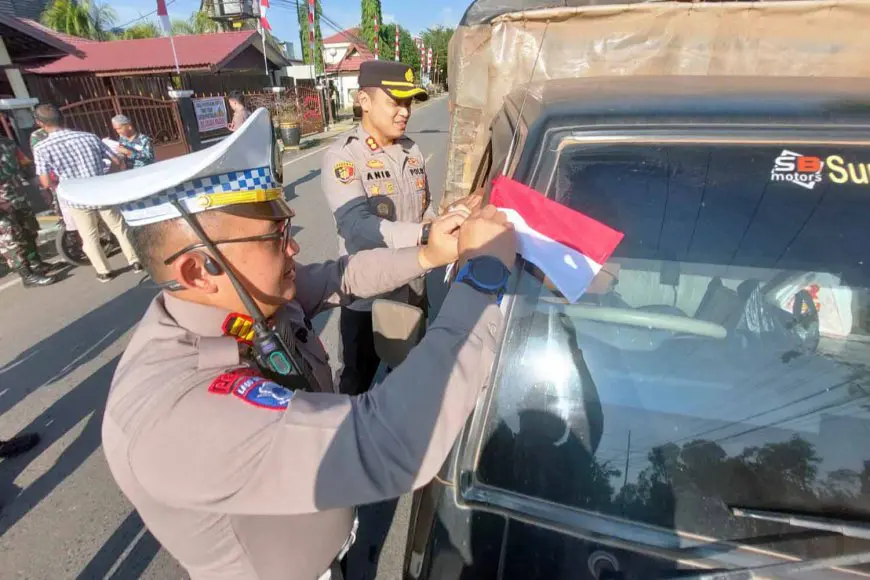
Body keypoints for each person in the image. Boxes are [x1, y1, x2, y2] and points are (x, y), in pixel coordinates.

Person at [56, 107, 515, 580]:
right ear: (198, 271)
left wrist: (428, 253)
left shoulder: (247, 302)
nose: (293, 247)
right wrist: (482, 280)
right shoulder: (175, 413)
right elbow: (387, 440)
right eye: (276, 237)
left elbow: (341, 276)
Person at [321, 60, 436, 396]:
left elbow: (425, 206)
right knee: (355, 390)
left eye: (408, 102)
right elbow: (356, 226)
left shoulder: (411, 150)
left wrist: (437, 221)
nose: (405, 112)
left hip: (413, 290)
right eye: (395, 102)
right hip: (368, 300)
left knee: (411, 381)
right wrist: (423, 236)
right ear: (364, 101)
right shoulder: (344, 157)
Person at [31, 104, 142, 282]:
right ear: (63, 118)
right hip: (101, 191)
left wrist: (59, 188)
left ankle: (104, 272)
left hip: (76, 198)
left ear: (39, 123)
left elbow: (45, 181)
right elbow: (116, 160)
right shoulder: (89, 137)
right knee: (119, 228)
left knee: (89, 237)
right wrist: (107, 178)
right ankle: (136, 261)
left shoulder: (41, 148)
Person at [0, 135, 58, 286]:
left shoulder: (7, 142)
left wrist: (41, 187)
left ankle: (36, 264)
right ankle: (27, 275)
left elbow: (25, 164)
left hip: (17, 195)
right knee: (11, 238)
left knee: (28, 230)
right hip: (2, 205)